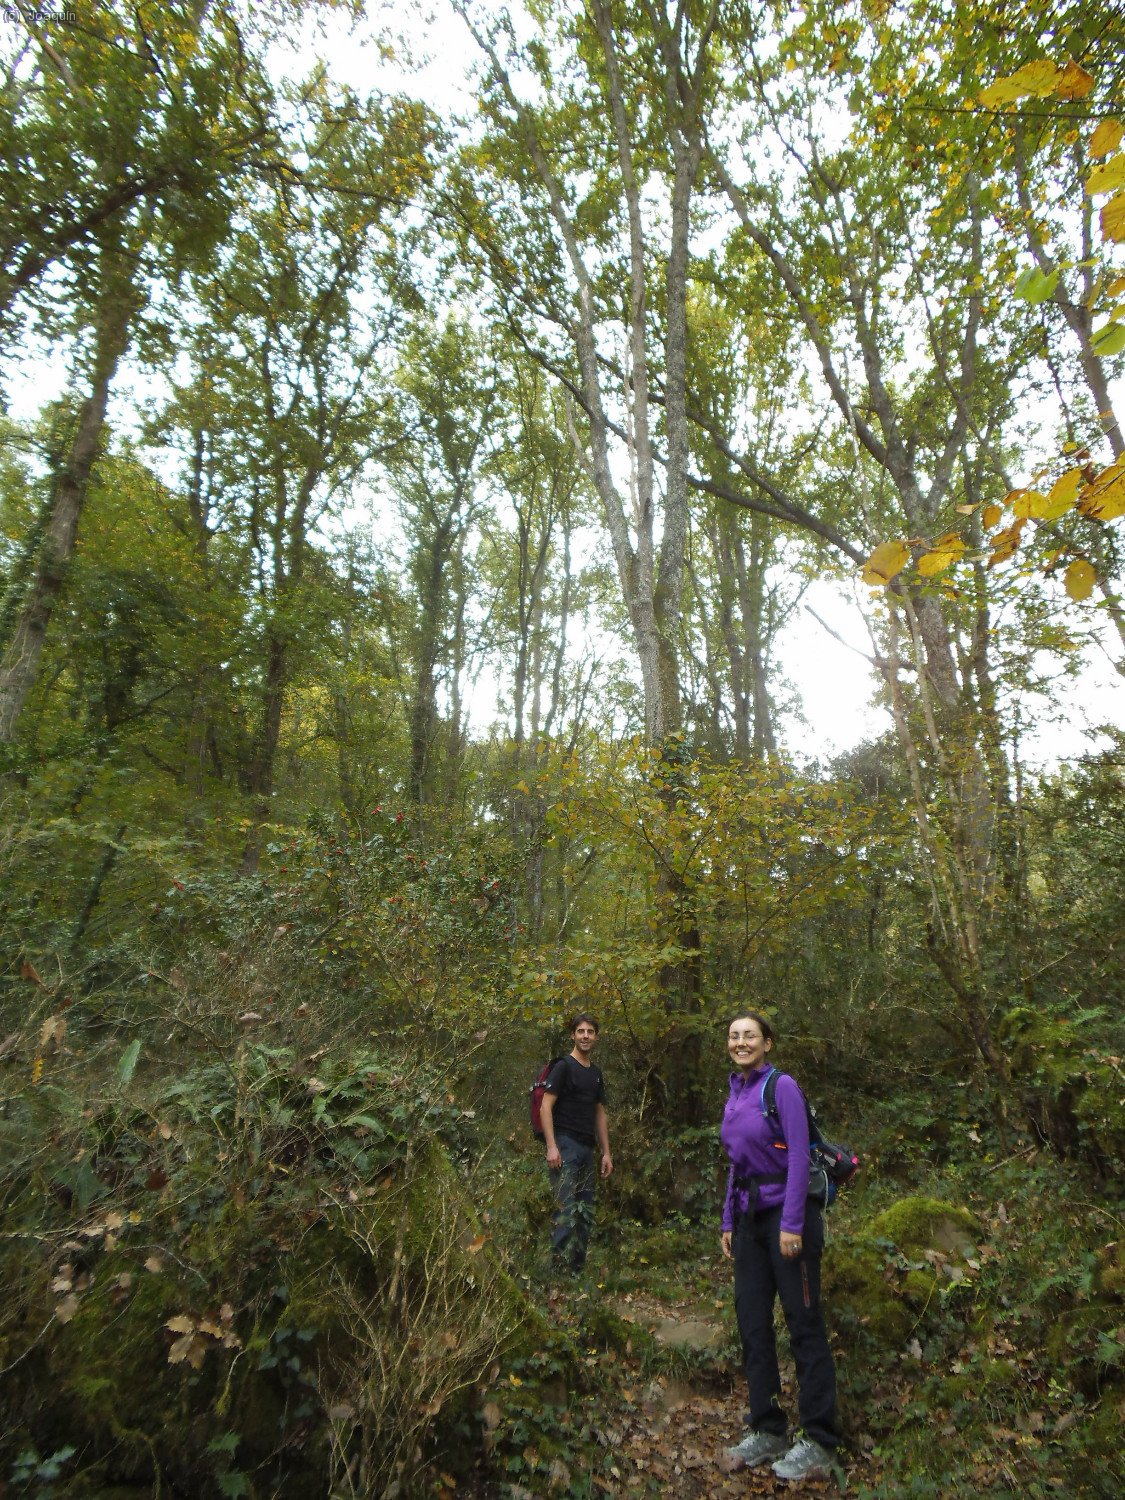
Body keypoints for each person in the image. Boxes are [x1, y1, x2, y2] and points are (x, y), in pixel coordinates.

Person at [719, 1011, 839, 1482]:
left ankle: (821, 1440)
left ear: (768, 1042)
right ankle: (767, 1427)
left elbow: (798, 1155)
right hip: (749, 1222)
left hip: (789, 1221)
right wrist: (729, 1220)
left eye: (749, 1035)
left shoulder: (781, 1087)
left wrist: (791, 1224)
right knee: (752, 1323)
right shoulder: (736, 1091)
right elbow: (737, 1162)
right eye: (734, 1036)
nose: (741, 1042)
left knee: (803, 1323)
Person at [539, 1013, 613, 1274]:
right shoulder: (564, 1067)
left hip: (587, 1149)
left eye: (590, 1031)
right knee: (565, 1211)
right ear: (573, 1035)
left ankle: (576, 1272)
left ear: (596, 1036)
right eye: (580, 1031)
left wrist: (606, 1152)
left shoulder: (595, 1073)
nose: (585, 1036)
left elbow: (599, 1113)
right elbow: (545, 1107)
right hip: (565, 1145)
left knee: (585, 1213)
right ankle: (555, 1274)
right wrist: (551, 1146)